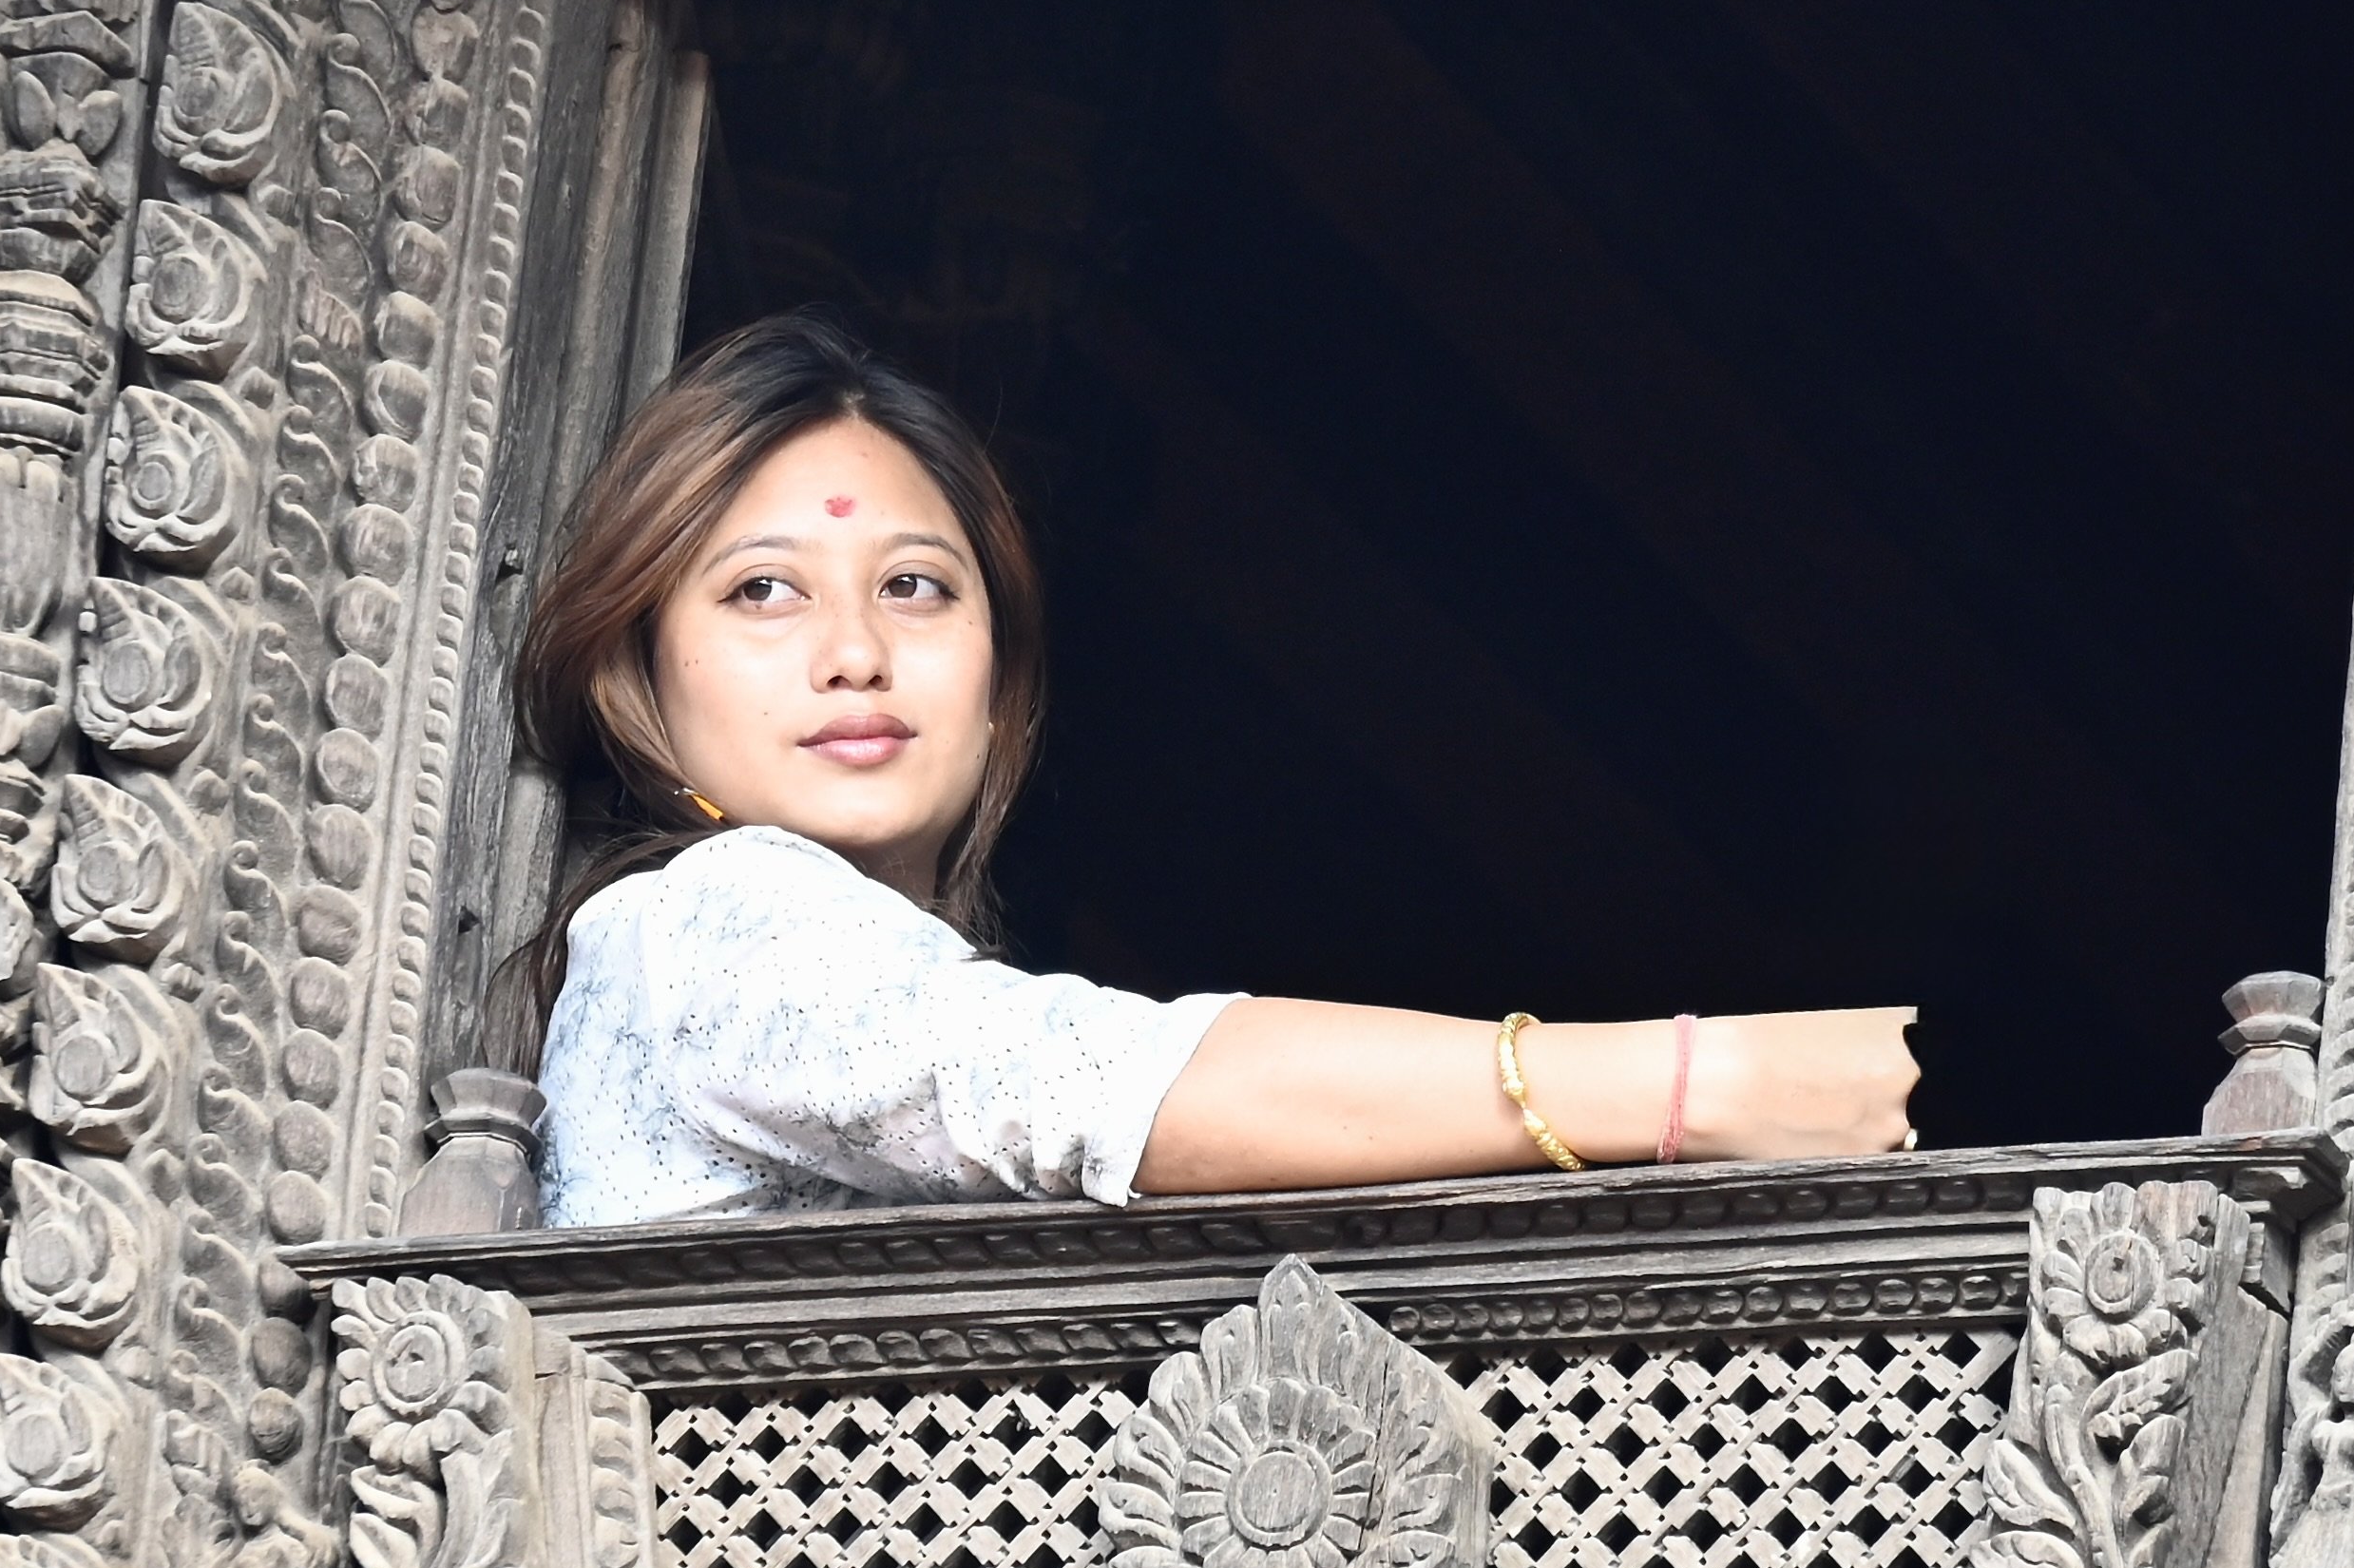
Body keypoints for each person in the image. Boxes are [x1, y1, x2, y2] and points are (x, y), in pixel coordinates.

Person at [518, 312, 1922, 1226]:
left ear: (1004, 685)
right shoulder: (702, 923)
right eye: (764, 591)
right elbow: (1089, 1087)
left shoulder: (856, 967)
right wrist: (1696, 1085)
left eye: (919, 587)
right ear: (638, 680)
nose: (854, 652)